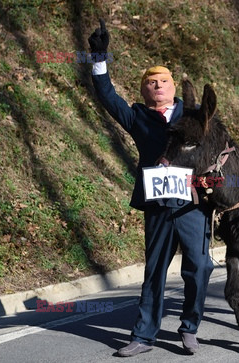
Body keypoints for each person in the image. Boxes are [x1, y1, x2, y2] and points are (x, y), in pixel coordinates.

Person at [88, 19, 214, 356]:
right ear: (144, 90)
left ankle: (189, 328)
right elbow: (106, 94)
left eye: (163, 81)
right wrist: (98, 59)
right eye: (150, 82)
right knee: (154, 270)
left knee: (200, 266)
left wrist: (210, 180)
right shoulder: (137, 117)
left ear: (173, 86)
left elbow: (218, 152)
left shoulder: (194, 114)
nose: (157, 86)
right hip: (158, 206)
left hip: (192, 203)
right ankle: (143, 336)